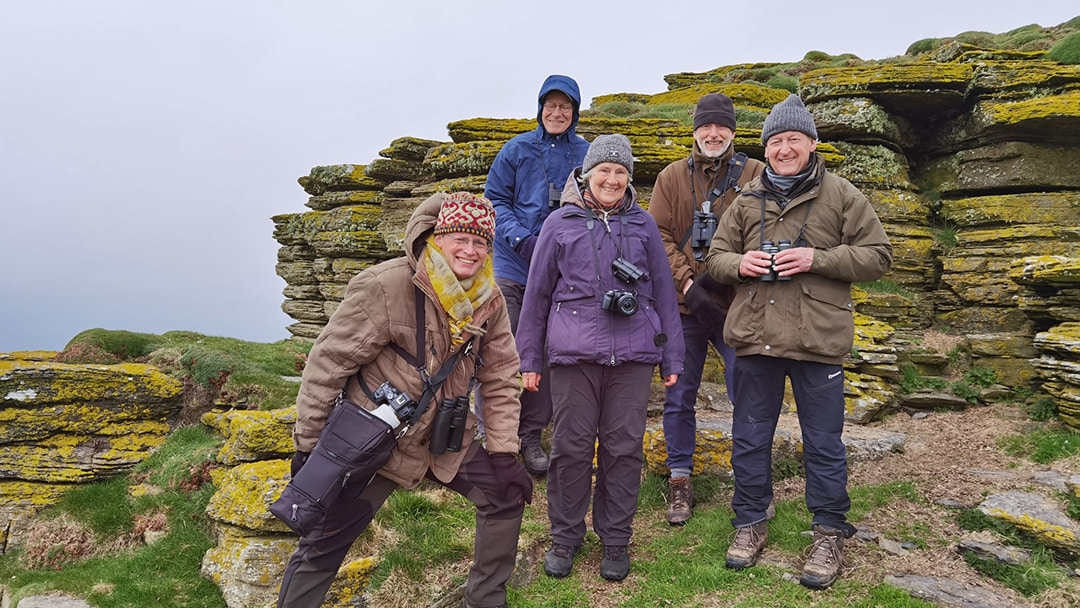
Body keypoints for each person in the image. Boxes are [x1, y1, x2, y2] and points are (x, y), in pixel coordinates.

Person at [278, 192, 533, 608]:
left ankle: (486, 600)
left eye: (480, 242)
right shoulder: (387, 284)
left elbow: (503, 376)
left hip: (443, 437)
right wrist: (308, 445)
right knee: (325, 541)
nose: (470, 251)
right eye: (461, 239)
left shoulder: (490, 300)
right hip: (372, 440)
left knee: (504, 496)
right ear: (439, 236)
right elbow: (327, 365)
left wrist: (504, 451)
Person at [705, 94, 892, 589]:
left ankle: (828, 533)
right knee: (748, 438)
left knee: (824, 444)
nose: (784, 149)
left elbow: (878, 257)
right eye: (775, 141)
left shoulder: (842, 194)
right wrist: (738, 265)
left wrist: (817, 259)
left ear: (811, 143)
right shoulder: (746, 199)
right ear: (765, 148)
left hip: (818, 342)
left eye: (793, 139)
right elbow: (715, 258)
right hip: (754, 338)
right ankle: (749, 523)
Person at [516, 134, 685, 582]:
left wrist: (672, 359)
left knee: (623, 449)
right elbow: (536, 296)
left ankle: (615, 539)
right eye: (604, 170)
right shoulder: (559, 222)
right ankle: (565, 538)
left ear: (629, 177)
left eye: (620, 171)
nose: (612, 179)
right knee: (570, 449)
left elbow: (664, 295)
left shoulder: (644, 224)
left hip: (632, 358)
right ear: (586, 174)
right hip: (572, 357)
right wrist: (529, 359)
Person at [647, 93, 765, 526]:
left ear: (732, 131)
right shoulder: (671, 177)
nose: (713, 134)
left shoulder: (755, 173)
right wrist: (688, 283)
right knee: (679, 396)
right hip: (683, 309)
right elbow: (656, 234)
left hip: (738, 304)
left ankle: (752, 483)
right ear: (694, 130)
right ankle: (680, 480)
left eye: (721, 127)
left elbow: (764, 229)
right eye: (705, 127)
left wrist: (718, 277)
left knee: (748, 395)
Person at [484, 74, 591, 475]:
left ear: (575, 112)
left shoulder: (586, 153)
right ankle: (496, 437)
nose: (557, 113)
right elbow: (495, 200)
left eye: (566, 106)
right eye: (551, 105)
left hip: (562, 275)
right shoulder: (516, 149)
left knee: (547, 356)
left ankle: (530, 437)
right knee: (504, 352)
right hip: (513, 266)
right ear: (540, 108)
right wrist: (521, 238)